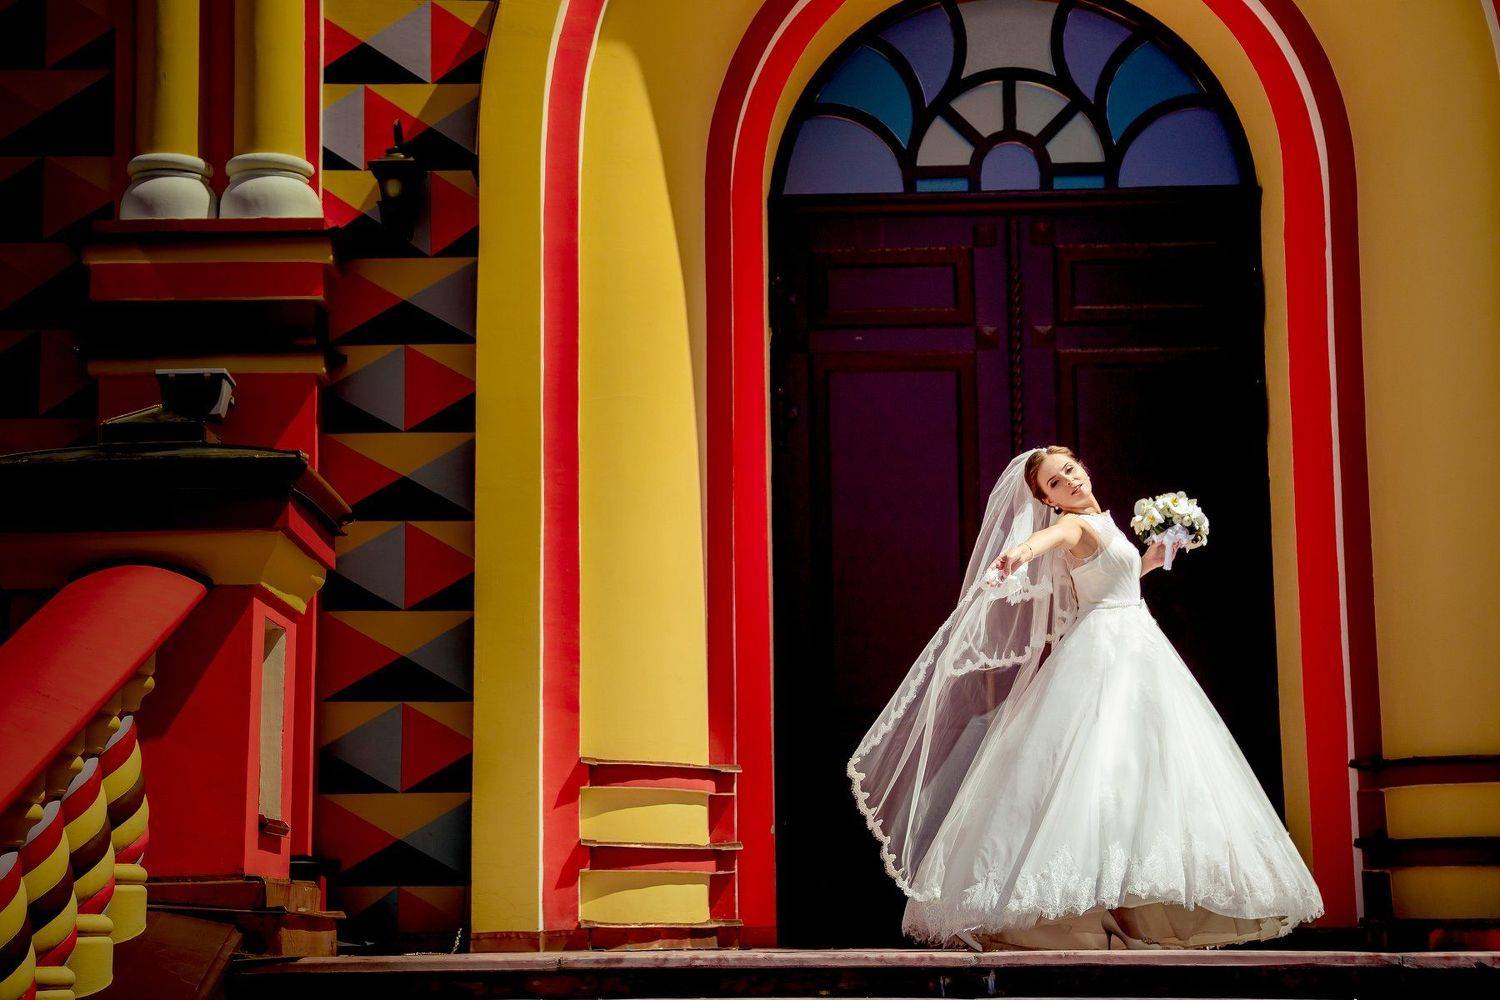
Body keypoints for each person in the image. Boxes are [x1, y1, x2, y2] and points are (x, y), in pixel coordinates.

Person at [847, 445, 1323, 950]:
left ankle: (1130, 902)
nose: (1070, 482)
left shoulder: (1105, 522)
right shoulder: (1072, 525)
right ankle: (1078, 906)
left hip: (1136, 645)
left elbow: (1111, 582)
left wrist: (1152, 557)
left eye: (1070, 470)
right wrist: (1018, 555)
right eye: (1055, 483)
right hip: (1105, 651)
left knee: (1136, 767)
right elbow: (1046, 541)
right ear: (1049, 501)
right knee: (1095, 766)